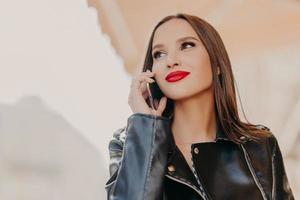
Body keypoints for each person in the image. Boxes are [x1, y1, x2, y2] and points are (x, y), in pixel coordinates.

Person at [105, 13, 294, 200]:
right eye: (159, 54)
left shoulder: (260, 145)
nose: (171, 61)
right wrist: (146, 128)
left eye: (187, 45)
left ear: (217, 64)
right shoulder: (128, 146)